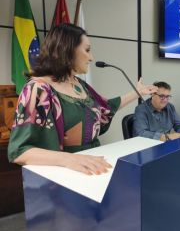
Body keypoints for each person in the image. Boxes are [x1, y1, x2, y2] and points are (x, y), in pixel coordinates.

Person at [7, 24, 157, 175]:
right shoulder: (38, 89)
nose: (91, 58)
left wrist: (137, 92)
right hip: (64, 175)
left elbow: (106, 109)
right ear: (67, 50)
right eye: (87, 50)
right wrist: (68, 159)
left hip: (93, 167)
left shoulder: (80, 85)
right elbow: (19, 151)